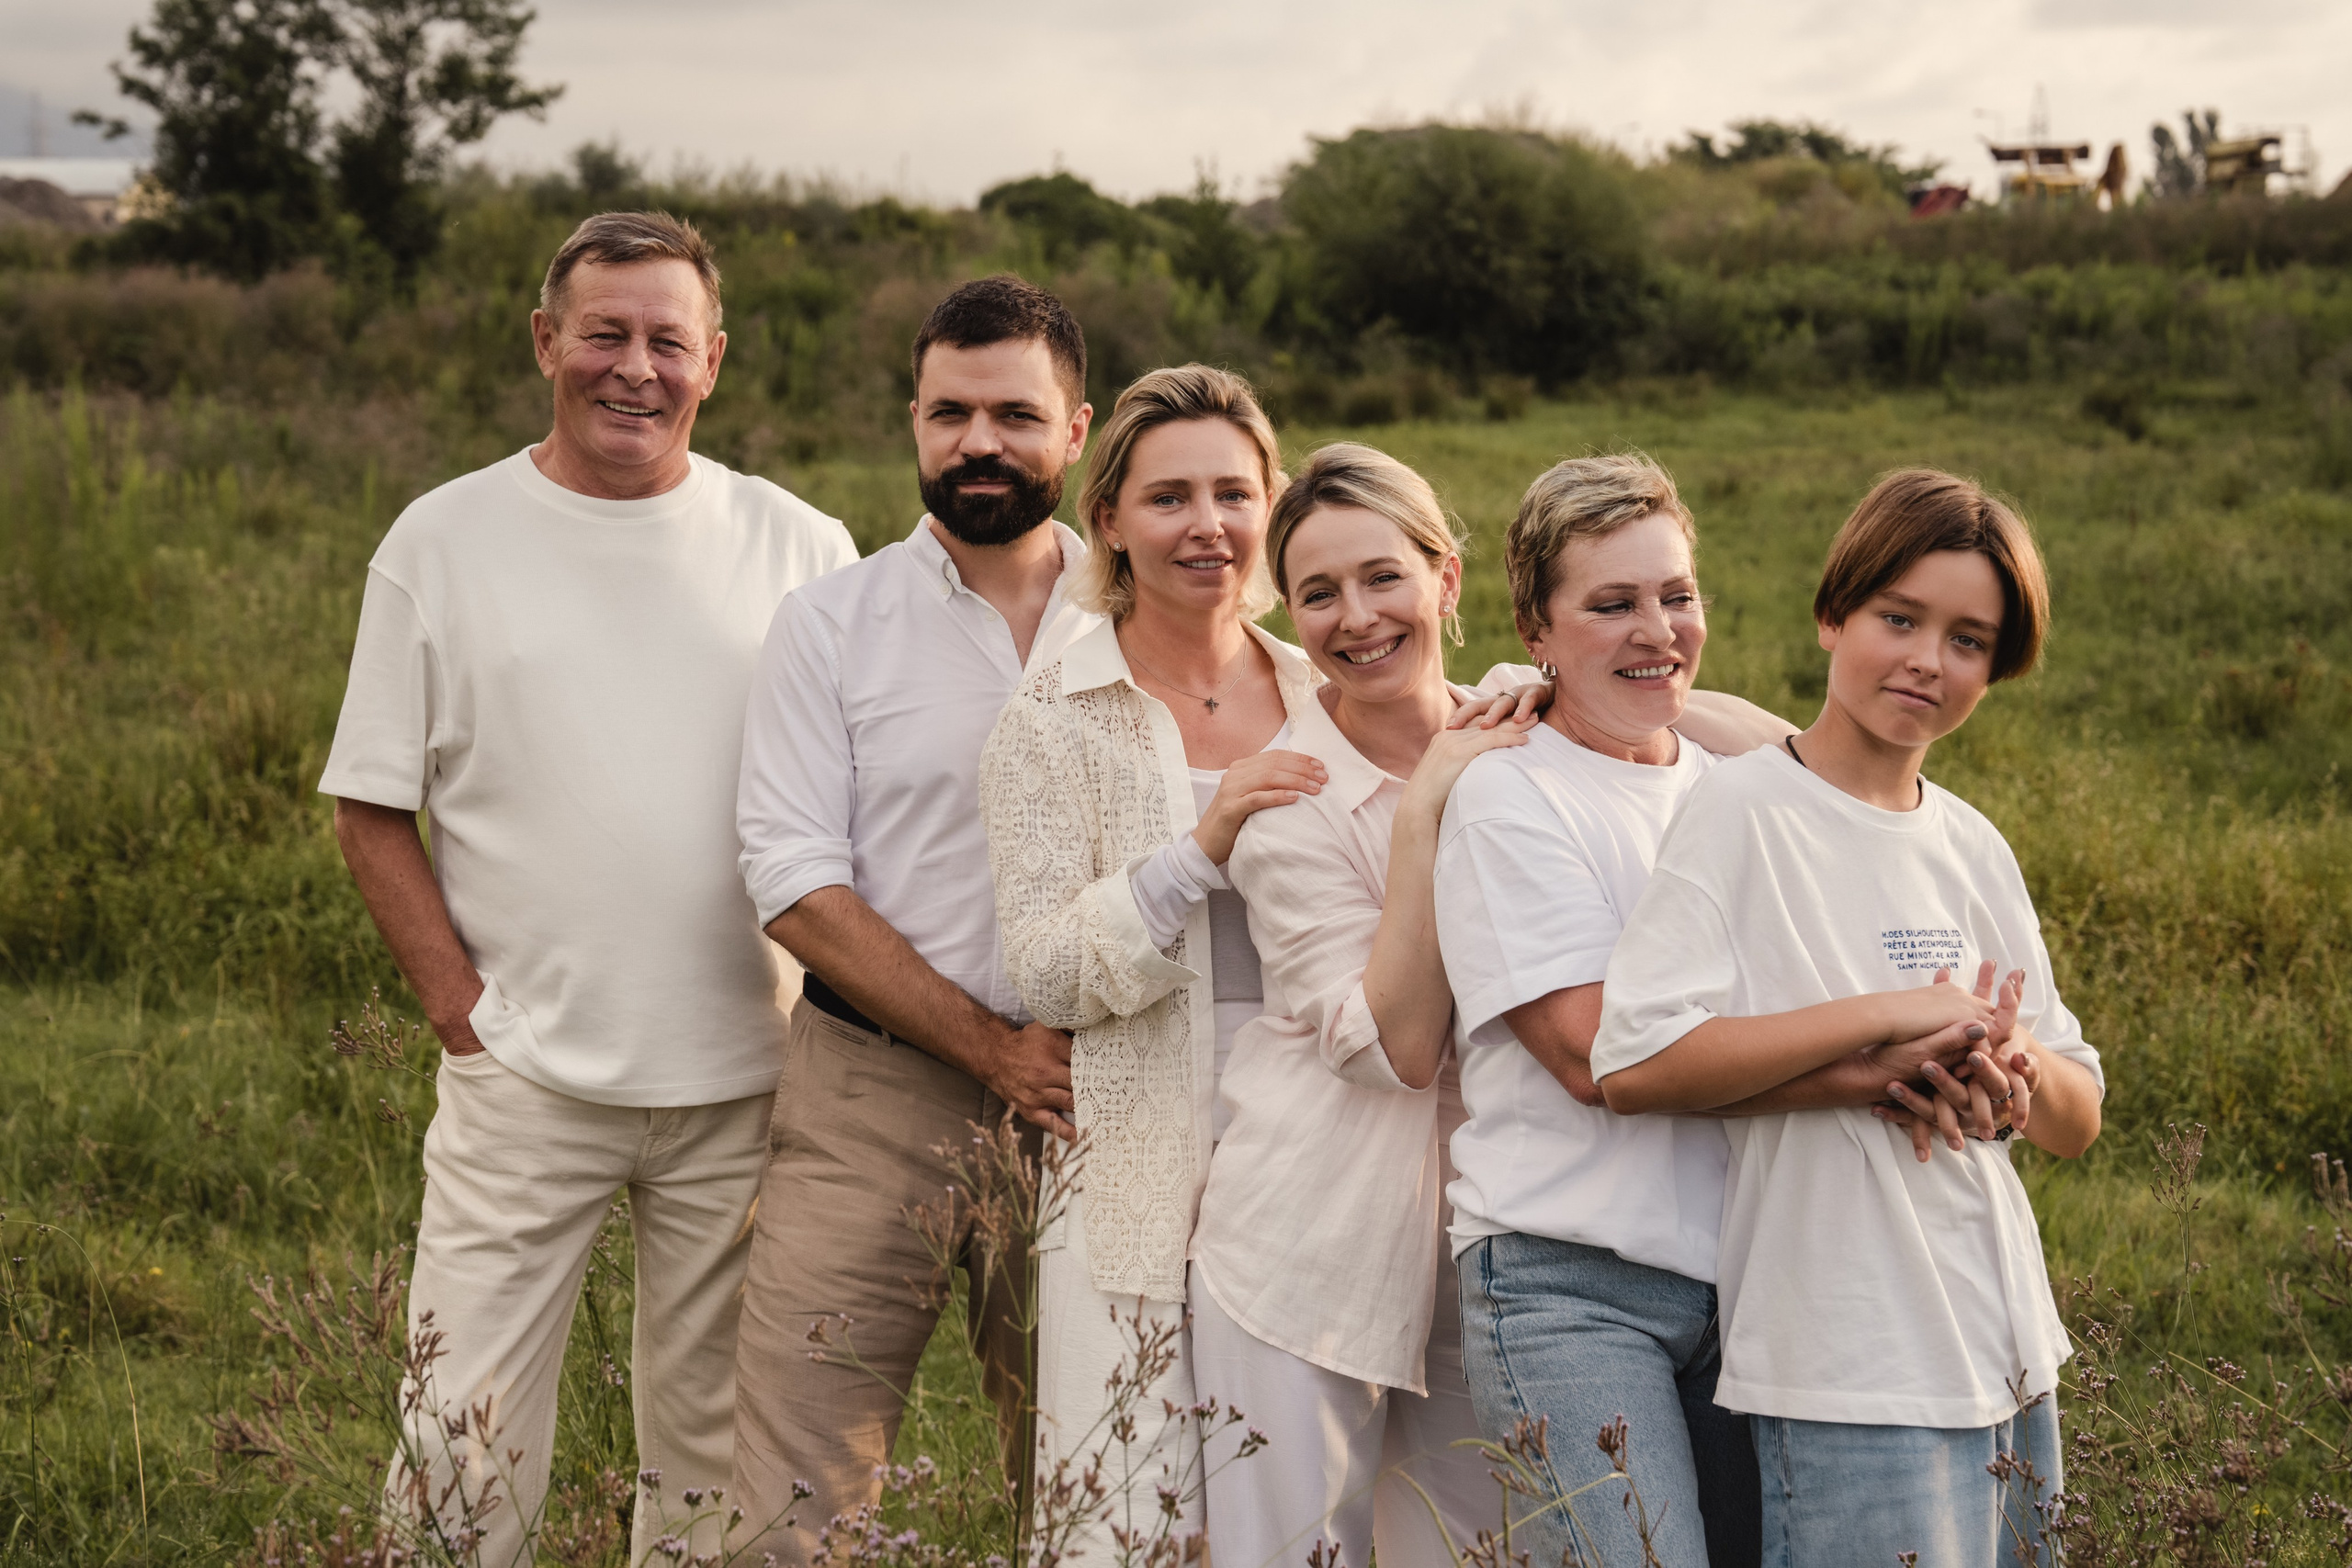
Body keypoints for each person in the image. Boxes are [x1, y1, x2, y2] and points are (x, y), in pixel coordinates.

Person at [319, 211, 856, 1567]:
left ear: (713, 360)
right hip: (527, 1075)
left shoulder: (800, 546)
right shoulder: (441, 539)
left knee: (717, 1451)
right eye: (604, 333)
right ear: (545, 340)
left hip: (750, 1075)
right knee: (464, 1436)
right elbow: (372, 804)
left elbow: (872, 800)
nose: (635, 368)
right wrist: (463, 1012)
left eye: (666, 340)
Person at [1432, 454, 1984, 1568]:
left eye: (1675, 597)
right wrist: (1877, 1070)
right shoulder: (1509, 796)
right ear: (1535, 631)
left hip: (1750, 1277)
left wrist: (1962, 1056)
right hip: (1568, 1282)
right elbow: (1598, 1060)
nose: (1655, 630)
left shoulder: (1728, 788)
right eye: (1612, 604)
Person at [1591, 468, 2105, 1568]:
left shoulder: (1970, 842)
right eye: (1899, 618)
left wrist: (2002, 1064)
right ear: (1833, 615)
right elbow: (1634, 1061)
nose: (1928, 660)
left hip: (2008, 1345)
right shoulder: (1738, 813)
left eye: (1969, 640)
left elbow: (2075, 1115)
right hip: (1843, 1354)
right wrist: (1889, 1027)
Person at [730, 275, 1096, 1562]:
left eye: (1013, 412)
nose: (978, 442)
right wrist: (989, 1046)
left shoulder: (1151, 611)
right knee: (793, 1490)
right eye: (950, 412)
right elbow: (792, 878)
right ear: (914, 420)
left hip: (1102, 1100)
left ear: (1078, 429)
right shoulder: (831, 623)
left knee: (1092, 1474)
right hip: (871, 1092)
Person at [978, 363, 1317, 1552]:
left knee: (1308, 1516)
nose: (1208, 524)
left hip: (1318, 1173)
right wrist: (1196, 852)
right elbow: (1048, 972)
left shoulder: (1326, 689)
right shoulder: (1056, 712)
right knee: (1124, 1521)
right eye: (1170, 496)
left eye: (1235, 491)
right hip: (1137, 1178)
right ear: (1108, 517)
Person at [1185, 443, 1532, 1568]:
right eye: (1318, 593)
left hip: (1495, 1249)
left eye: (1383, 575)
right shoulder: (1290, 801)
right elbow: (1396, 1046)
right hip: (1310, 1247)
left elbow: (1678, 729)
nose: (1355, 616)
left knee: (1477, 1553)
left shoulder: (1530, 739)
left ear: (1446, 579)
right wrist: (1429, 798)